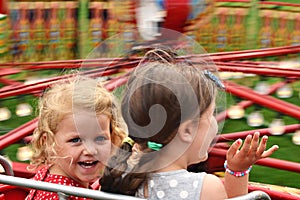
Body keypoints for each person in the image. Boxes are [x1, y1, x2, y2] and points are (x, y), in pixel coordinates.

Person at [100, 48, 279, 199]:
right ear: (187, 130)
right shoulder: (204, 188)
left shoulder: (120, 176)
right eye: (210, 116)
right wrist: (238, 172)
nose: (215, 126)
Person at [26, 76, 127, 200]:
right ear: (48, 142)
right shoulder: (57, 196)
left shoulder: (58, 176)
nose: (90, 151)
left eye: (100, 139)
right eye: (76, 140)